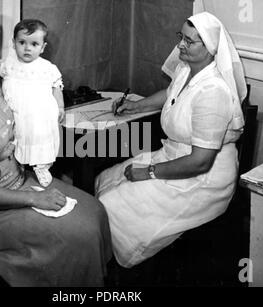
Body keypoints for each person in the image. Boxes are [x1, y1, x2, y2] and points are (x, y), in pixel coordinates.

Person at [0, 5, 112, 286]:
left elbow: (30, 80)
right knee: (80, 234)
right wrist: (35, 198)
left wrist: (55, 100)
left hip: (18, 180)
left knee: (96, 211)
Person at [95, 12, 247, 268]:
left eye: (189, 41)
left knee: (111, 205)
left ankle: (114, 271)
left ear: (210, 48)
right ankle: (104, 258)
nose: (180, 46)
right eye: (181, 38)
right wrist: (136, 106)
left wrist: (150, 172)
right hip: (174, 158)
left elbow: (200, 162)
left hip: (202, 179)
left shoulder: (213, 92)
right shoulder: (185, 69)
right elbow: (169, 94)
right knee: (106, 180)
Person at [0, 19, 64, 187]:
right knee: (17, 139)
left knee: (39, 139)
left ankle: (42, 166)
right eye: (22, 42)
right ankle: (17, 167)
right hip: (17, 112)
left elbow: (57, 87)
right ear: (14, 43)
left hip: (39, 114)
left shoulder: (47, 68)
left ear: (42, 47)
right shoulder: (9, 65)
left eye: (34, 44)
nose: (27, 48)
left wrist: (61, 106)